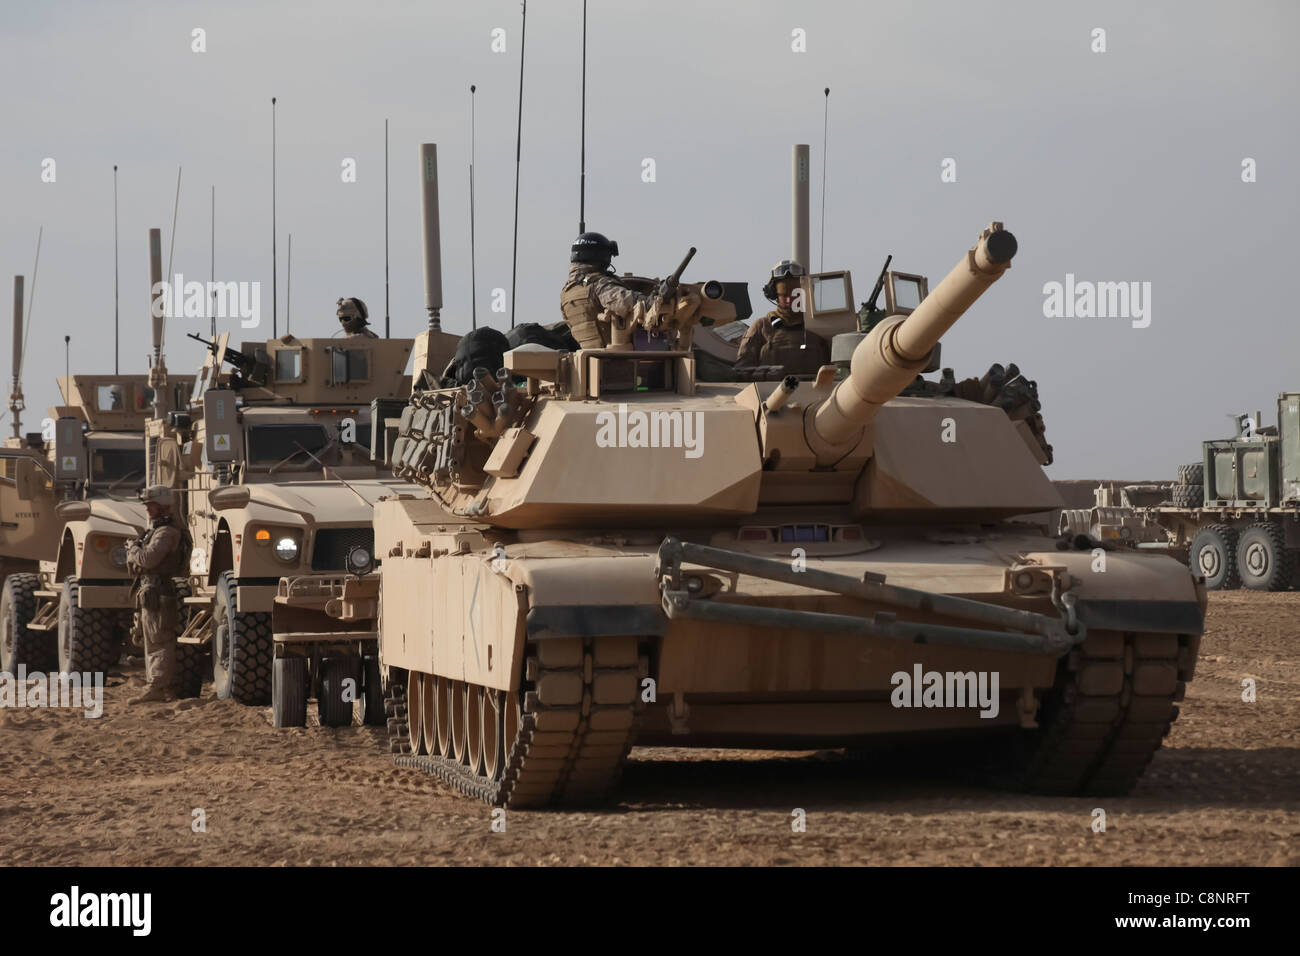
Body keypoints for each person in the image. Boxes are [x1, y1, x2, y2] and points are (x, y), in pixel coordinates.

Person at [125, 485, 191, 704]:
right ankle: (160, 686)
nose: (147, 509)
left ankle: (157, 687)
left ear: (163, 506)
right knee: (152, 640)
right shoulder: (159, 530)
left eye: (151, 505)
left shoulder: (166, 532)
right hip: (152, 590)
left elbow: (148, 559)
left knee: (158, 641)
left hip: (159, 591)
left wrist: (133, 549)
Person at [560, 232, 676, 349]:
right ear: (600, 256)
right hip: (616, 359)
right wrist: (654, 299)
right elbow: (628, 303)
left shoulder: (567, 292)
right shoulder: (599, 285)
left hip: (588, 357)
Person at [735, 259, 830, 375]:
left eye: (795, 294)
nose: (790, 300)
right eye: (784, 295)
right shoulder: (762, 326)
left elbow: (837, 368)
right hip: (771, 392)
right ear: (774, 294)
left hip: (817, 392)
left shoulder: (819, 325)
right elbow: (742, 371)